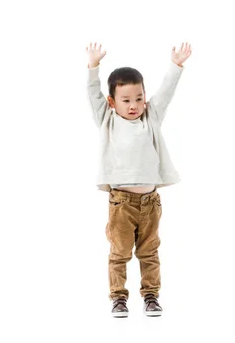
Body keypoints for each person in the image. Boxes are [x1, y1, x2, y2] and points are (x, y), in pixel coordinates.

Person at [85, 41, 192, 317]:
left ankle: (151, 296)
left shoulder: (151, 118)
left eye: (139, 98)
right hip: (121, 204)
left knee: (149, 252)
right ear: (112, 102)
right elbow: (93, 95)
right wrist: (93, 67)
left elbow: (166, 93)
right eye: (126, 100)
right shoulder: (107, 120)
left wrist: (176, 65)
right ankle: (118, 298)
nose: (134, 105)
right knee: (119, 253)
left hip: (150, 202)